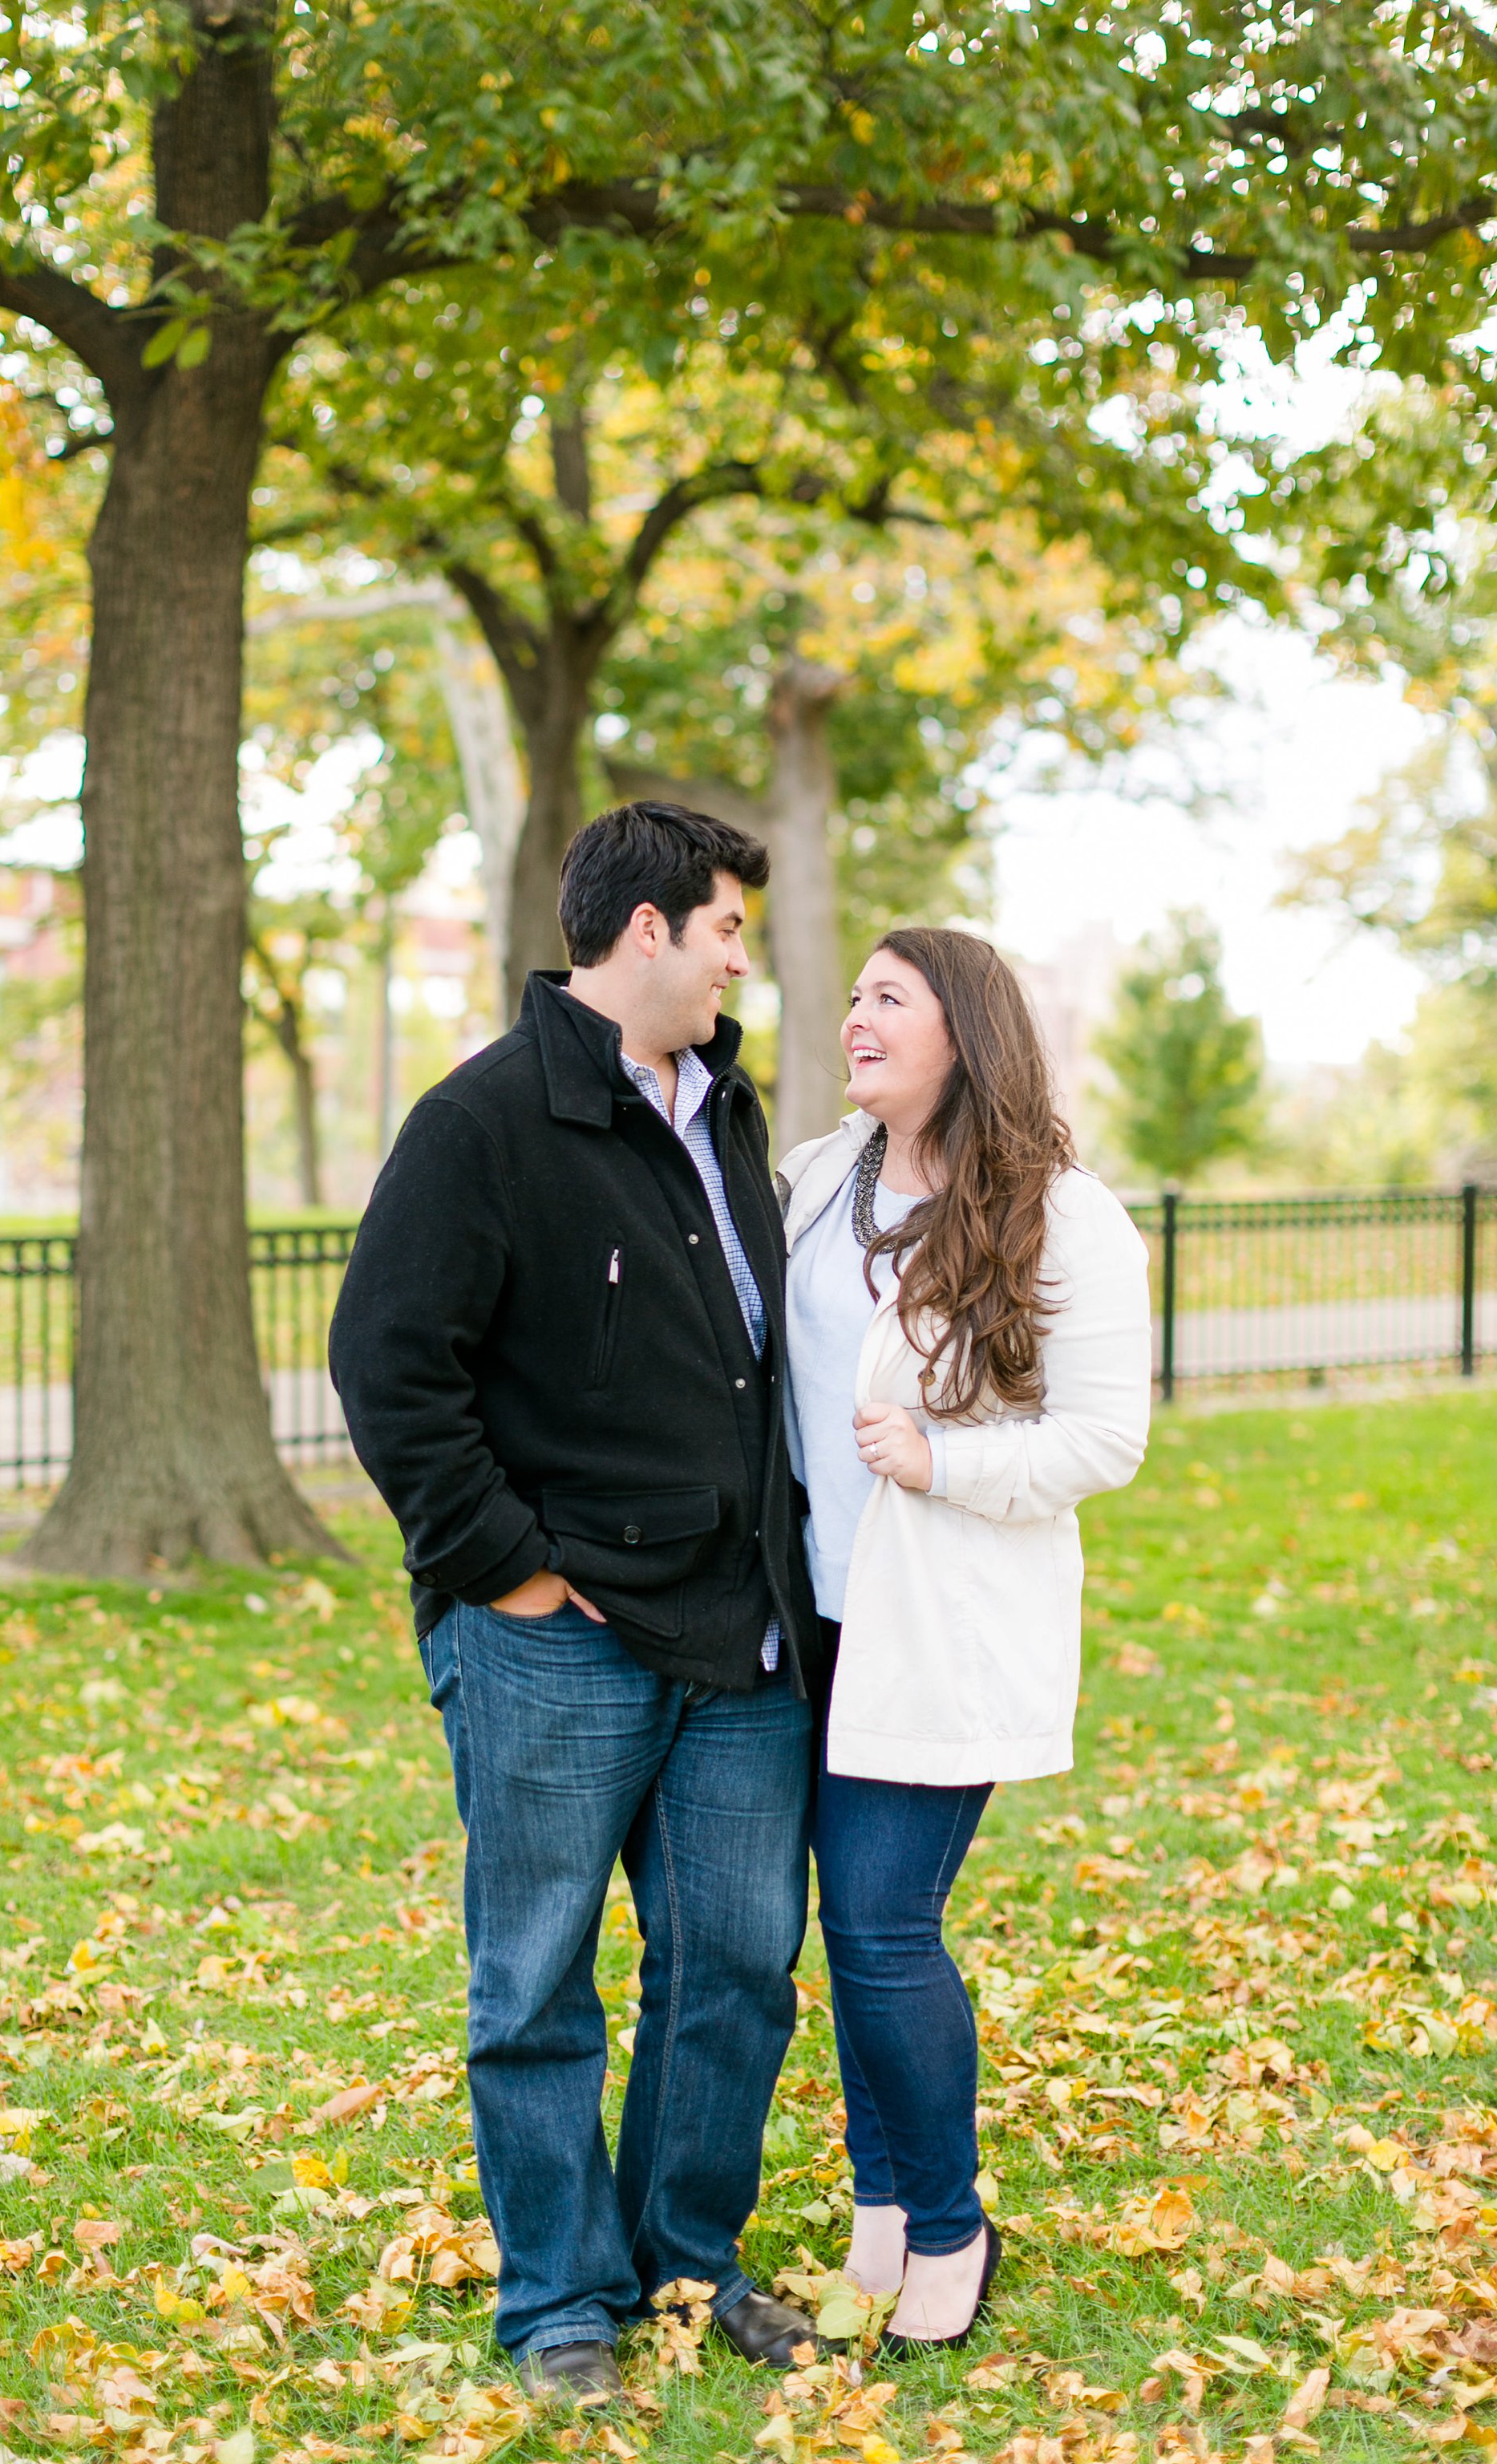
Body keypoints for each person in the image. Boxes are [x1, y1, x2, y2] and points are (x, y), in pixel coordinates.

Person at [329, 803, 826, 2400]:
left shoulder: (729, 1112)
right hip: (555, 1637)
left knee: (738, 1965)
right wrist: (506, 1567)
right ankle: (558, 2306)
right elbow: (390, 1366)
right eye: (728, 926)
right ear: (645, 934)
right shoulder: (480, 1123)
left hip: (736, 1631)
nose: (743, 952)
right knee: (534, 1978)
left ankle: (684, 2265)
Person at [779, 927, 1151, 2353]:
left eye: (889, 997)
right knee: (842, 1928)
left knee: (880, 1928)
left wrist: (946, 1462)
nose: (855, 1016)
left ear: (964, 1032)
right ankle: (881, 2206)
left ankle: (947, 2224)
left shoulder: (1062, 1213)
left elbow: (1105, 1438)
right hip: (794, 1615)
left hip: (937, 1620)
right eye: (854, 993)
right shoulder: (819, 1182)